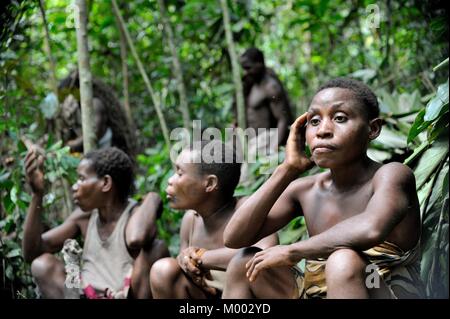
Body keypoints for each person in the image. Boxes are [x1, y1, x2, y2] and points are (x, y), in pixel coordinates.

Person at [223, 78, 425, 299]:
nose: (323, 131)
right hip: (315, 292)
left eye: (340, 118)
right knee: (244, 262)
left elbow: (371, 228)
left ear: (373, 128)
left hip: (381, 287)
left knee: (343, 262)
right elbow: (235, 237)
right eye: (315, 121)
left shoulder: (392, 175)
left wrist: (293, 251)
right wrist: (287, 170)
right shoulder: (305, 190)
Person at [23, 146, 169, 298]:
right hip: (86, 294)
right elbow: (32, 252)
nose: (74, 187)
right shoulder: (84, 217)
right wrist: (37, 194)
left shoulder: (134, 214)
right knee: (42, 265)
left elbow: (137, 238)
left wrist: (153, 198)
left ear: (105, 183)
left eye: (81, 179)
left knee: (156, 249)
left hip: (123, 295)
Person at [149, 140, 277, 298]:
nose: (170, 180)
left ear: (209, 183)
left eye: (180, 173)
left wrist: (201, 257)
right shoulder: (191, 220)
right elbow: (185, 265)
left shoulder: (247, 210)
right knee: (163, 270)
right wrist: (189, 265)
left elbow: (265, 251)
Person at [58, 70, 136, 159]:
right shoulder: (78, 105)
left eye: (72, 91)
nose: (71, 95)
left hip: (104, 147)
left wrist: (74, 144)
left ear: (79, 89)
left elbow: (95, 131)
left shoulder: (96, 103)